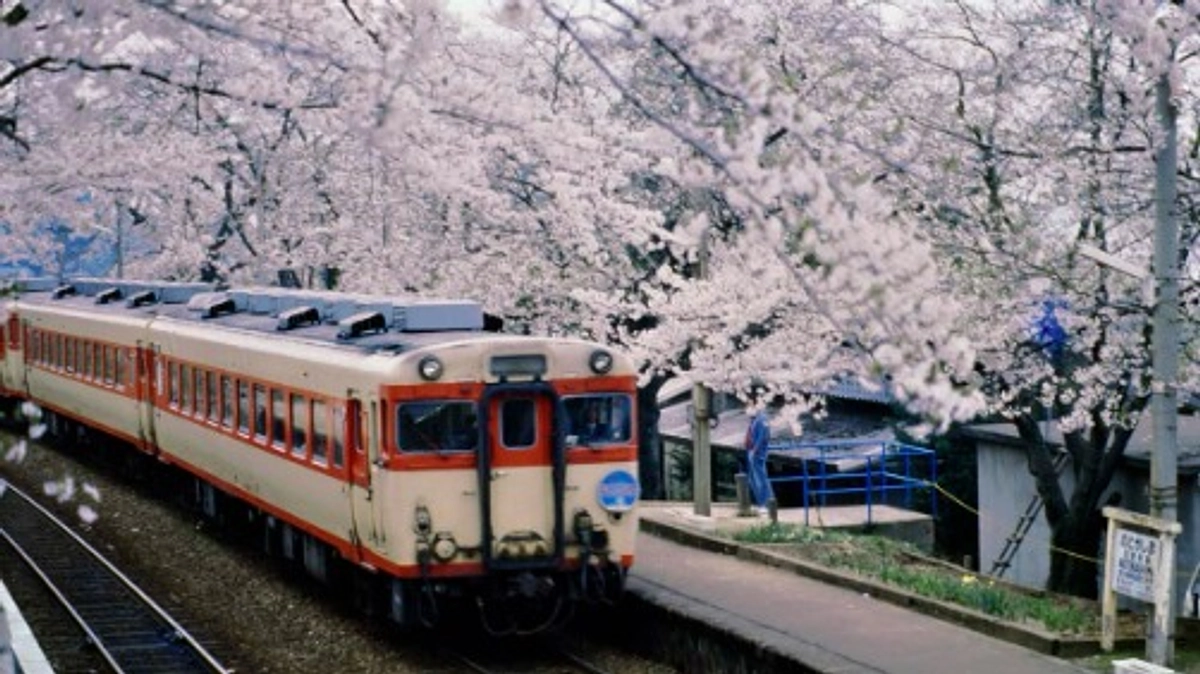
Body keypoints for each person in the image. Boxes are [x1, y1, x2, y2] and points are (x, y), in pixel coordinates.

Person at [744, 410, 774, 507]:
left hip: (757, 453)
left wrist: (755, 449)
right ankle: (761, 502)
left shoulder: (762, 419)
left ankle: (766, 502)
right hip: (751, 450)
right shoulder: (754, 419)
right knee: (753, 479)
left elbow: (763, 436)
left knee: (761, 479)